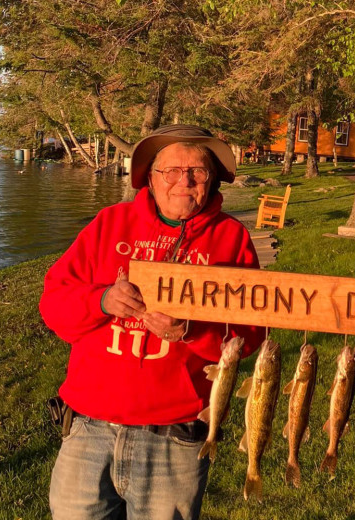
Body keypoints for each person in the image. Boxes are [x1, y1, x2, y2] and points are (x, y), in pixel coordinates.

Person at [40, 124, 266, 520]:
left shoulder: (231, 239)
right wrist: (103, 300)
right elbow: (54, 303)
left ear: (211, 180)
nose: (185, 181)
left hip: (173, 435)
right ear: (151, 176)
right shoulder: (109, 224)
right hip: (90, 426)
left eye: (197, 171)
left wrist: (192, 332)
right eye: (171, 171)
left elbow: (251, 334)